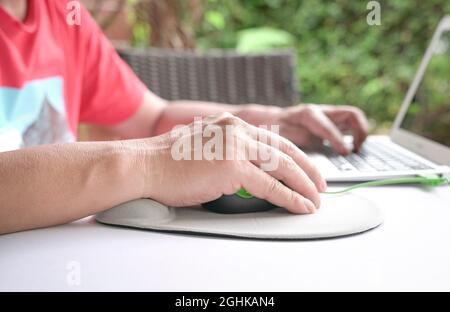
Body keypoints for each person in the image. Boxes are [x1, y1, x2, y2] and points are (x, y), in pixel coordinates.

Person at [0, 0, 369, 235]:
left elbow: (151, 118)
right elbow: (157, 145)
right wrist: (154, 164)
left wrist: (266, 122)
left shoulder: (61, 13)